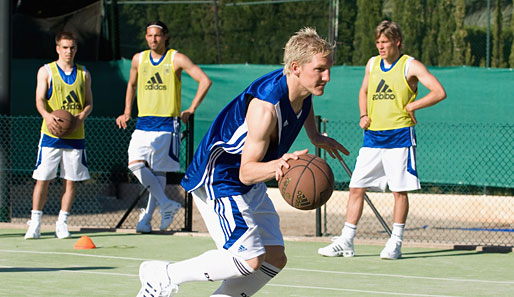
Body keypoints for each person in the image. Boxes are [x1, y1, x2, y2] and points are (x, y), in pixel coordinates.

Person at [136, 27, 349, 297]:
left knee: (274, 258)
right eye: (320, 69)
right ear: (295, 67)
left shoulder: (301, 88)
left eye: (328, 69)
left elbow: (303, 103)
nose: (327, 77)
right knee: (248, 261)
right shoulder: (265, 107)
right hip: (220, 178)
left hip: (247, 178)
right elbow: (247, 172)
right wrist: (279, 164)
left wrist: (315, 136)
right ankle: (164, 275)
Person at [318, 20, 446, 260]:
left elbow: (439, 92)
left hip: (399, 137)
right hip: (372, 138)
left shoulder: (410, 65)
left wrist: (413, 105)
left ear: (397, 42)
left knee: (399, 192)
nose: (380, 46)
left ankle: (395, 242)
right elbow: (364, 91)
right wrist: (363, 114)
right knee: (356, 187)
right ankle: (346, 240)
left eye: (385, 42)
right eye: (378, 42)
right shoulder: (372, 64)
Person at [116, 21, 212, 233]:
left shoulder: (176, 58)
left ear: (165, 36)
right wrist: (127, 111)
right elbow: (131, 84)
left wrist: (192, 108)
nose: (153, 39)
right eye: (149, 35)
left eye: (157, 35)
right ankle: (166, 203)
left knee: (159, 173)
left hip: (168, 124)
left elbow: (204, 80)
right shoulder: (138, 59)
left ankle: (147, 218)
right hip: (143, 123)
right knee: (135, 164)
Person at [24, 31, 93, 239]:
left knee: (70, 181)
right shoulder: (46, 71)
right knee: (42, 179)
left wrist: (80, 117)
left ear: (76, 49)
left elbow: (89, 103)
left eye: (72, 47)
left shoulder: (84, 73)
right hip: (51, 135)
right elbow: (39, 99)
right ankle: (35, 222)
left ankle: (62, 222)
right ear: (57, 49)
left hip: (75, 136)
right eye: (64, 47)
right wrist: (47, 115)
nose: (68, 51)